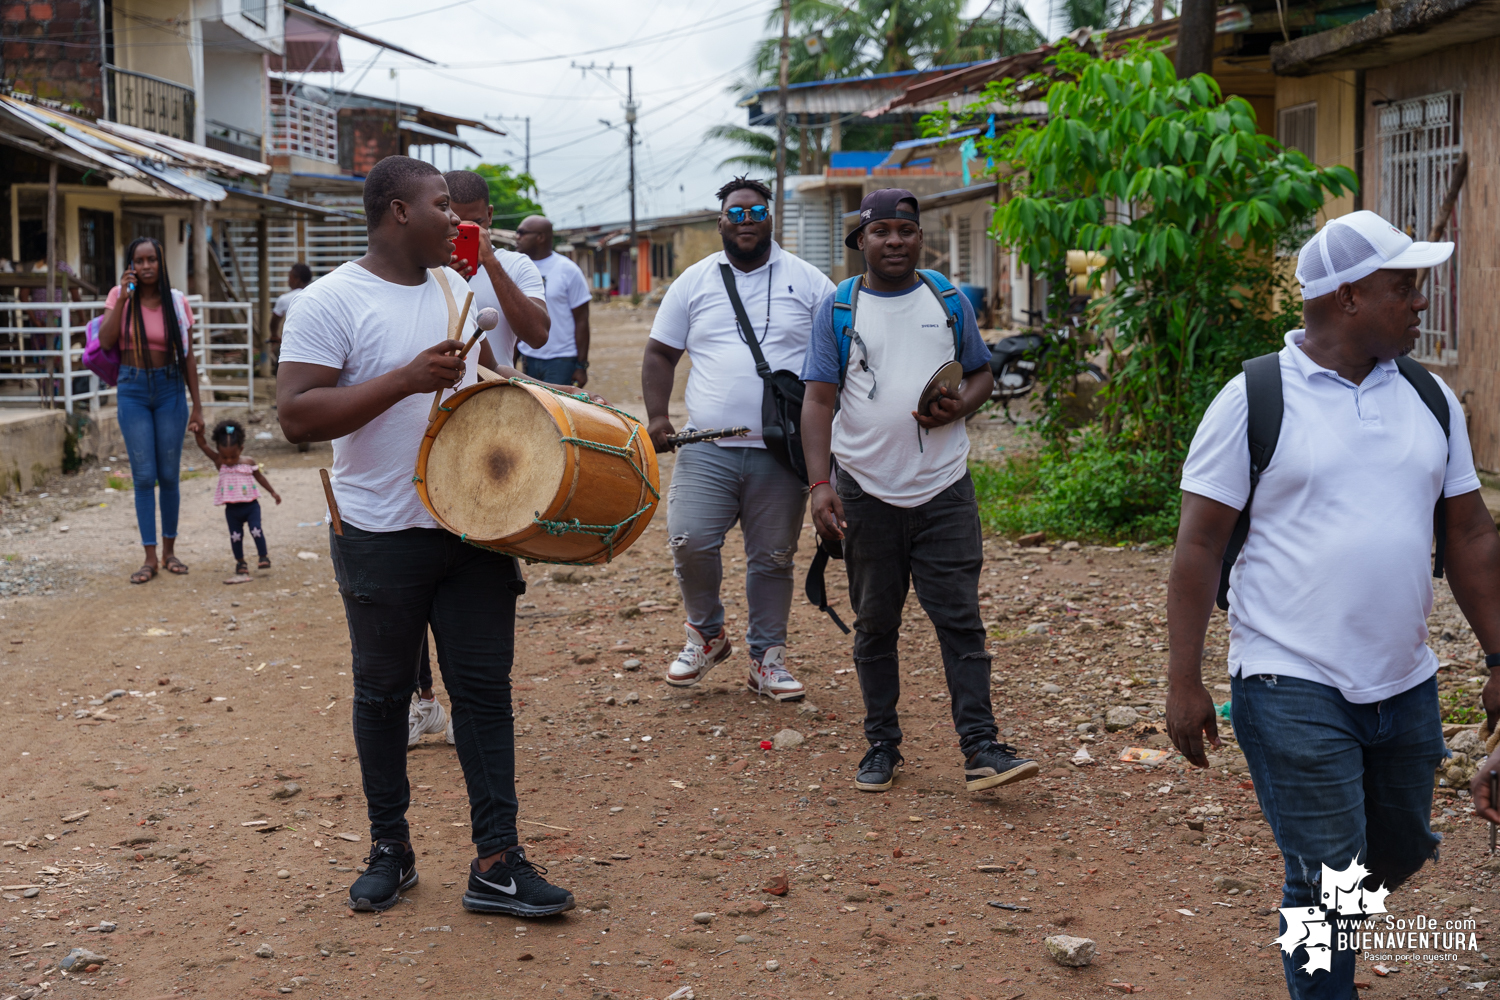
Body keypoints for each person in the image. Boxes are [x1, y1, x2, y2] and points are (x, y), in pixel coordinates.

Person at [1166, 210, 1500, 1000]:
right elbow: (1198, 548)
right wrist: (1185, 680)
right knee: (1326, 872)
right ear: (1348, 297)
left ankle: (1323, 925)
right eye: (1404, 287)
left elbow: (1471, 536)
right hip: (1289, 678)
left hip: (1404, 680)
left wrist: (1498, 656)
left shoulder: (1428, 397)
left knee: (1403, 849)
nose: (1421, 303)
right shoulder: (1252, 399)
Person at [276, 154, 574, 919]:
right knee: (380, 696)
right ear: (400, 213)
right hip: (380, 531)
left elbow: (477, 394)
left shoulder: (459, 289)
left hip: (473, 526)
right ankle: (391, 850)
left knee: (483, 694)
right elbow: (298, 416)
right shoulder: (329, 301)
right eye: (444, 205)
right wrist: (405, 379)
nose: (459, 219)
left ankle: (498, 861)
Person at [801, 188, 1035, 795]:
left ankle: (982, 747)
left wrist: (961, 405)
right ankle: (882, 744)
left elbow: (981, 373)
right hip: (866, 491)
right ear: (862, 242)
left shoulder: (947, 299)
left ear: (919, 237)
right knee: (875, 623)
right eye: (881, 232)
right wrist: (820, 484)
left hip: (945, 489)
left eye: (905, 230)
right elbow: (818, 401)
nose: (895, 241)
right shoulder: (839, 309)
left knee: (960, 620)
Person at [642, 176, 835, 700]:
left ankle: (766, 659)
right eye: (736, 213)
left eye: (756, 212)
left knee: (772, 558)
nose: (746, 221)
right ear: (720, 221)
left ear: (771, 218)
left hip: (781, 450)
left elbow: (838, 365)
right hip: (707, 447)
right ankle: (706, 635)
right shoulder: (694, 281)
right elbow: (661, 352)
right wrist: (658, 418)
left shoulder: (811, 282)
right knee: (689, 541)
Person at [96, 237, 206, 584]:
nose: (145, 266)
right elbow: (106, 340)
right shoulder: (118, 297)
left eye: (152, 260)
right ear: (130, 265)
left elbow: (187, 355)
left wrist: (197, 408)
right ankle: (149, 557)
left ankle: (170, 551)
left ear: (161, 263)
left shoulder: (176, 302)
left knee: (169, 475)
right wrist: (125, 298)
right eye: (138, 261)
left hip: (171, 388)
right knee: (144, 476)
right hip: (133, 390)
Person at [443, 169, 549, 369]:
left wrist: (491, 264)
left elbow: (538, 336)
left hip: (496, 396)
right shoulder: (424, 266)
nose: (461, 232)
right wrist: (443, 277)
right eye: (455, 223)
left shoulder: (517, 265)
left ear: (489, 215)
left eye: (476, 224)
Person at [193, 418, 281, 581]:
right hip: (232, 510)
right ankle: (240, 563)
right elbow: (204, 446)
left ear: (241, 449)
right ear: (219, 452)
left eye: (232, 457)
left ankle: (263, 557)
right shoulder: (220, 463)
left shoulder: (249, 462)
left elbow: (260, 478)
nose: (228, 461)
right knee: (236, 536)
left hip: (251, 506)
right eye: (224, 457)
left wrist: (272, 492)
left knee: (256, 530)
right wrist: (198, 434)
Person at [515, 215, 592, 387]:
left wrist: (581, 365)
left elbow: (582, 321)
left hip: (561, 360)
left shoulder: (568, 270)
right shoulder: (518, 269)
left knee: (555, 412)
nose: (517, 237)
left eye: (522, 233)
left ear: (540, 237)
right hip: (529, 357)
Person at [269, 262, 313, 357]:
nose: (288, 280)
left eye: (290, 276)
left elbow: (274, 322)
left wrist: (274, 336)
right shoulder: (316, 295)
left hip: (292, 347)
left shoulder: (284, 299)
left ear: (297, 279)